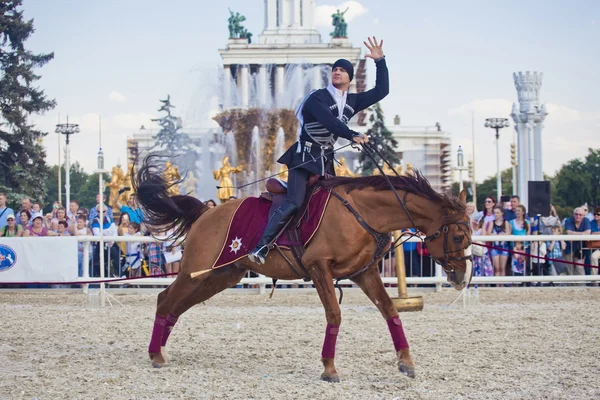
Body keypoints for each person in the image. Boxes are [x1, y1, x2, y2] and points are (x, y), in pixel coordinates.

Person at [249, 36, 388, 264]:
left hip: (325, 159)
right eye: (334, 69)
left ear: (349, 77)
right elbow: (328, 121)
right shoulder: (317, 97)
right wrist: (352, 135)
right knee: (294, 201)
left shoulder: (351, 101)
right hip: (303, 157)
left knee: (333, 203)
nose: (337, 72)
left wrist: (380, 61)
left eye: (342, 70)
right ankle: (261, 247)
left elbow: (382, 91)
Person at [486, 206, 511, 283]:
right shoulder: (492, 223)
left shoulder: (505, 222)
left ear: (502, 213)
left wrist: (496, 235)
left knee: (502, 268)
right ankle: (497, 285)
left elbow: (508, 233)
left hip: (504, 247)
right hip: (495, 247)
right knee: (497, 268)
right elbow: (488, 233)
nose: (496, 214)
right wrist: (500, 235)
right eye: (495, 213)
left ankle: (502, 285)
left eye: (498, 213)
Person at [564, 207, 591, 277]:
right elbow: (569, 233)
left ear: (583, 215)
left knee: (579, 267)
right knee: (570, 268)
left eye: (580, 214)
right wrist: (582, 234)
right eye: (576, 214)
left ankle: (582, 286)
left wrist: (574, 234)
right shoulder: (569, 220)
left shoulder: (586, 220)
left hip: (581, 248)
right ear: (573, 214)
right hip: (569, 247)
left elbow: (588, 233)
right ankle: (571, 287)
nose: (578, 216)